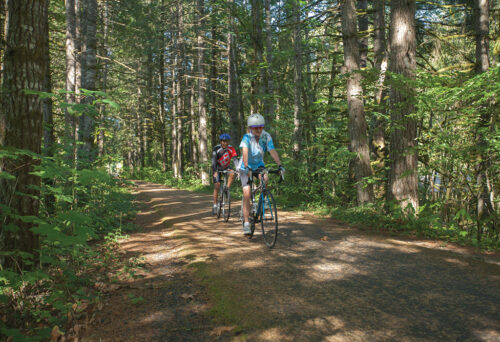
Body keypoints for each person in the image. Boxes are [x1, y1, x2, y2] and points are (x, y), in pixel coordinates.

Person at [238, 113, 284, 235]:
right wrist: (247, 167)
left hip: (258, 165)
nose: (258, 129)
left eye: (260, 127)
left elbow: (272, 150)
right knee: (247, 193)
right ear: (250, 128)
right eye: (255, 127)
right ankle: (247, 223)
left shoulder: (266, 136)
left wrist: (279, 165)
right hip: (245, 167)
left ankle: (261, 201)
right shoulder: (246, 138)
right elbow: (245, 152)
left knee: (265, 178)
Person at [212, 133, 238, 215]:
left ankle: (227, 188)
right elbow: (213, 161)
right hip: (217, 167)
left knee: (232, 173)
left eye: (226, 141)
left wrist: (238, 168)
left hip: (226, 167)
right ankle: (215, 205)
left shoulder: (231, 149)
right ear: (221, 141)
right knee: (217, 186)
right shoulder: (216, 148)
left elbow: (235, 159)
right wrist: (215, 171)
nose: (225, 143)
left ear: (229, 142)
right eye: (223, 141)